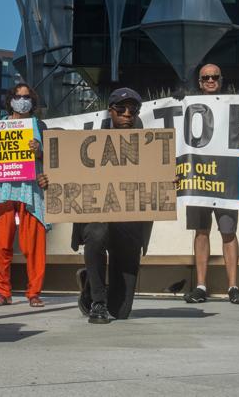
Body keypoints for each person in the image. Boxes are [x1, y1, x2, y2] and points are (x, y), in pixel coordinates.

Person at [39, 88, 154, 324]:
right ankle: (97, 302)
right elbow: (66, 172)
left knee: (121, 312)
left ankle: (90, 281)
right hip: (96, 217)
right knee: (97, 232)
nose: (127, 114)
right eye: (121, 109)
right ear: (110, 111)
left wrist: (169, 181)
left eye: (133, 110)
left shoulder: (150, 144)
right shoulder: (90, 141)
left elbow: (158, 177)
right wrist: (48, 180)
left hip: (130, 223)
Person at [183, 64, 239, 305]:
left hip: (226, 176)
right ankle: (200, 286)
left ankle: (233, 286)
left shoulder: (235, 103)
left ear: (221, 80)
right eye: (205, 77)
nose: (210, 80)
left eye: (214, 77)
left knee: (228, 231)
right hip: (198, 175)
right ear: (199, 82)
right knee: (201, 231)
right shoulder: (188, 104)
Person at [0, 83, 49, 307]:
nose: (23, 100)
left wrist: (39, 151)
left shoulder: (40, 125)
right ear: (10, 99)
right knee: (0, 243)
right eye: (18, 96)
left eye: (27, 97)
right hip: (1, 189)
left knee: (34, 244)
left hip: (31, 188)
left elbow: (53, 157)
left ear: (33, 101)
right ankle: (3, 293)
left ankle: (34, 293)